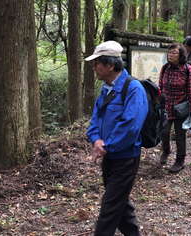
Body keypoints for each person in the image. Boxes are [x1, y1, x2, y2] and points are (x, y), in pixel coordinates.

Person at [85, 40, 148, 236]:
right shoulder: (106, 89)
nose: (94, 67)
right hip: (109, 157)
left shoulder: (133, 89)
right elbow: (95, 119)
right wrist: (96, 139)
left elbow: (131, 126)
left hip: (126, 158)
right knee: (120, 203)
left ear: (110, 65)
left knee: (110, 207)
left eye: (97, 63)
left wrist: (107, 145)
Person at [159, 43, 191, 173]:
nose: (170, 55)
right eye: (169, 52)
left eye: (174, 53)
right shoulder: (165, 68)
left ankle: (180, 160)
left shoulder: (188, 69)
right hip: (166, 106)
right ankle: (166, 150)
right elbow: (161, 86)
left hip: (181, 107)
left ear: (181, 54)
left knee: (180, 135)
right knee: (164, 131)